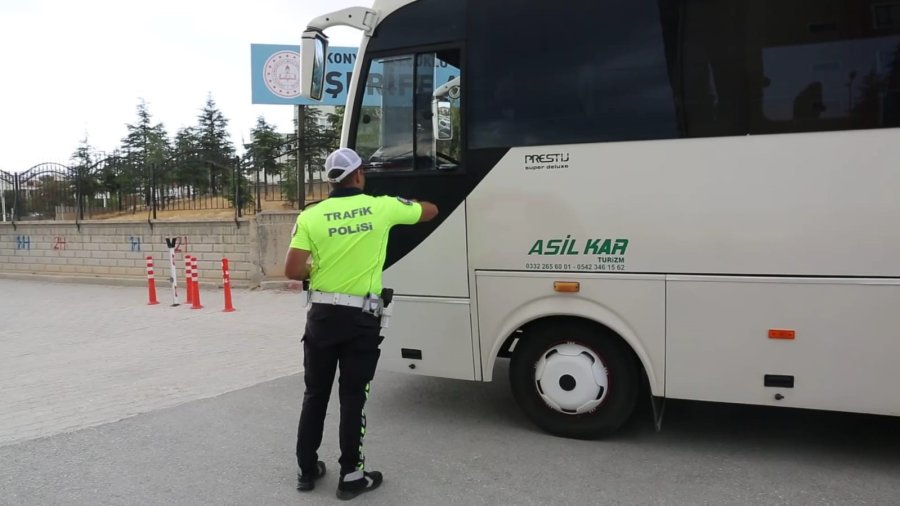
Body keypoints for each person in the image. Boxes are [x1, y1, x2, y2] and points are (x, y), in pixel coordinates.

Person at [284, 147, 439, 500]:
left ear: (330, 181)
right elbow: (431, 211)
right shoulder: (381, 206)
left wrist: (321, 270)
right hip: (361, 320)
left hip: (322, 317)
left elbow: (293, 270)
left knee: (315, 394)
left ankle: (306, 470)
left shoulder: (311, 216)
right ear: (358, 175)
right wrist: (406, 202)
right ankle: (351, 476)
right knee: (353, 397)